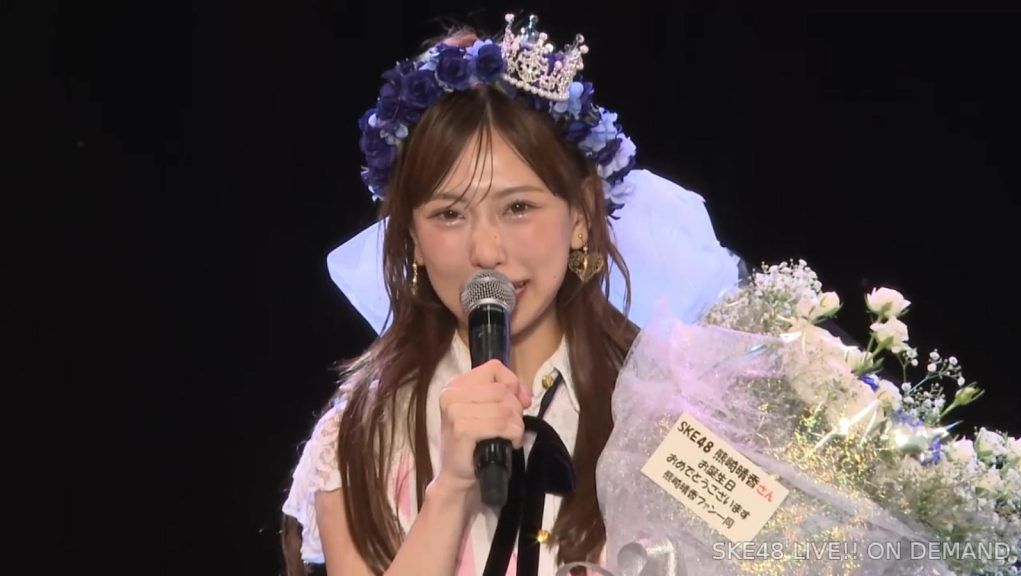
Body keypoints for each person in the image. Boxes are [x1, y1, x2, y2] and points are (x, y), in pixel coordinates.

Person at [281, 13, 742, 576]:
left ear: (581, 216)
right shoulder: (358, 437)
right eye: (449, 214)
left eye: (518, 207)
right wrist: (451, 489)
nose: (486, 250)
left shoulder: (670, 409)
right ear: (412, 239)